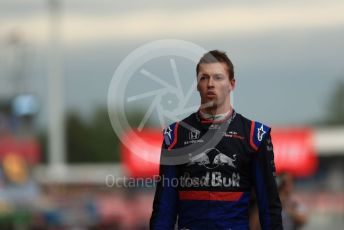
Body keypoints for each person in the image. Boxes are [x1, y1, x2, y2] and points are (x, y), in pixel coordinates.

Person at [150, 50, 283, 230]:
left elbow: (269, 206)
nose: (211, 84)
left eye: (218, 77)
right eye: (204, 78)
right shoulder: (175, 136)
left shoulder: (255, 135)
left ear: (231, 84)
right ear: (197, 84)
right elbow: (164, 205)